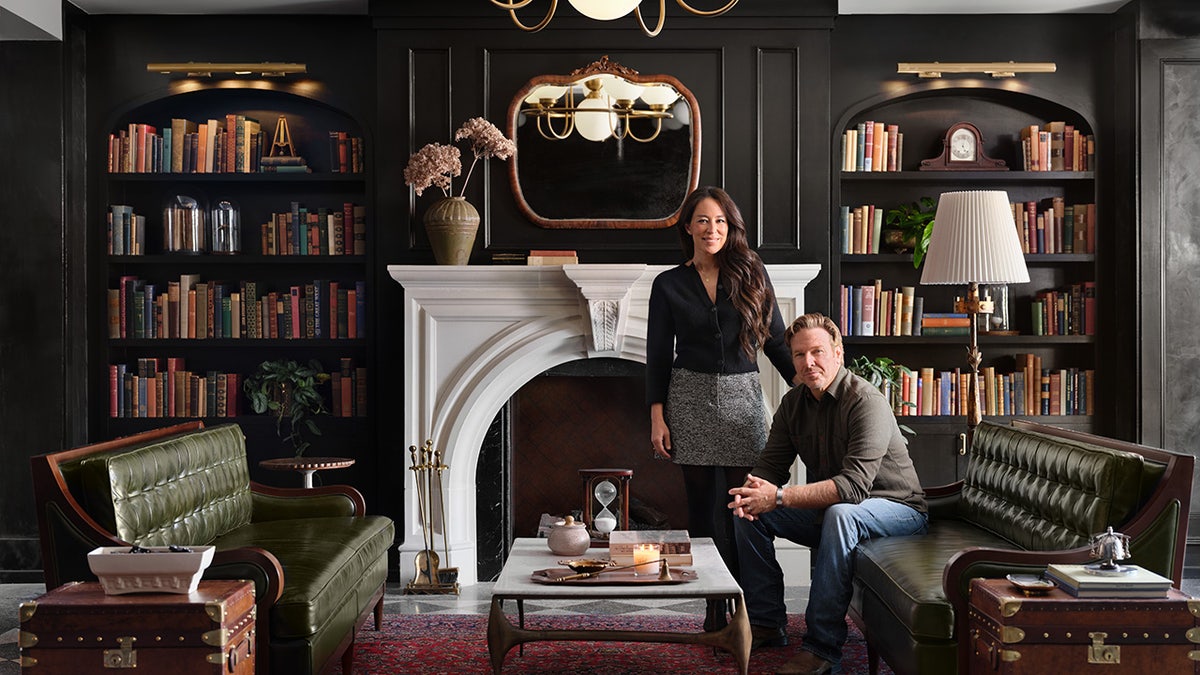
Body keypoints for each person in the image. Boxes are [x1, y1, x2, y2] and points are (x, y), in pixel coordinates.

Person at [728, 312, 928, 675]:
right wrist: (750, 492)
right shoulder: (793, 404)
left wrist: (778, 497)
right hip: (842, 512)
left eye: (817, 352)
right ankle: (766, 622)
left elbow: (852, 488)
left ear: (838, 352)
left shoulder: (866, 402)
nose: (809, 362)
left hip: (898, 511)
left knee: (840, 513)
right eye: (800, 355)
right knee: (749, 511)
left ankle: (822, 648)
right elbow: (770, 468)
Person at [646, 185, 798, 585]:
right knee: (701, 511)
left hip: (743, 402)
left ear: (731, 228)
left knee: (745, 507)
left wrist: (809, 390)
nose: (711, 229)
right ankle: (715, 606)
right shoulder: (667, 284)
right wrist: (657, 416)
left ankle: (754, 605)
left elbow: (777, 340)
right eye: (703, 220)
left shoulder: (752, 272)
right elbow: (658, 354)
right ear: (689, 227)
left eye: (720, 221)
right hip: (689, 400)